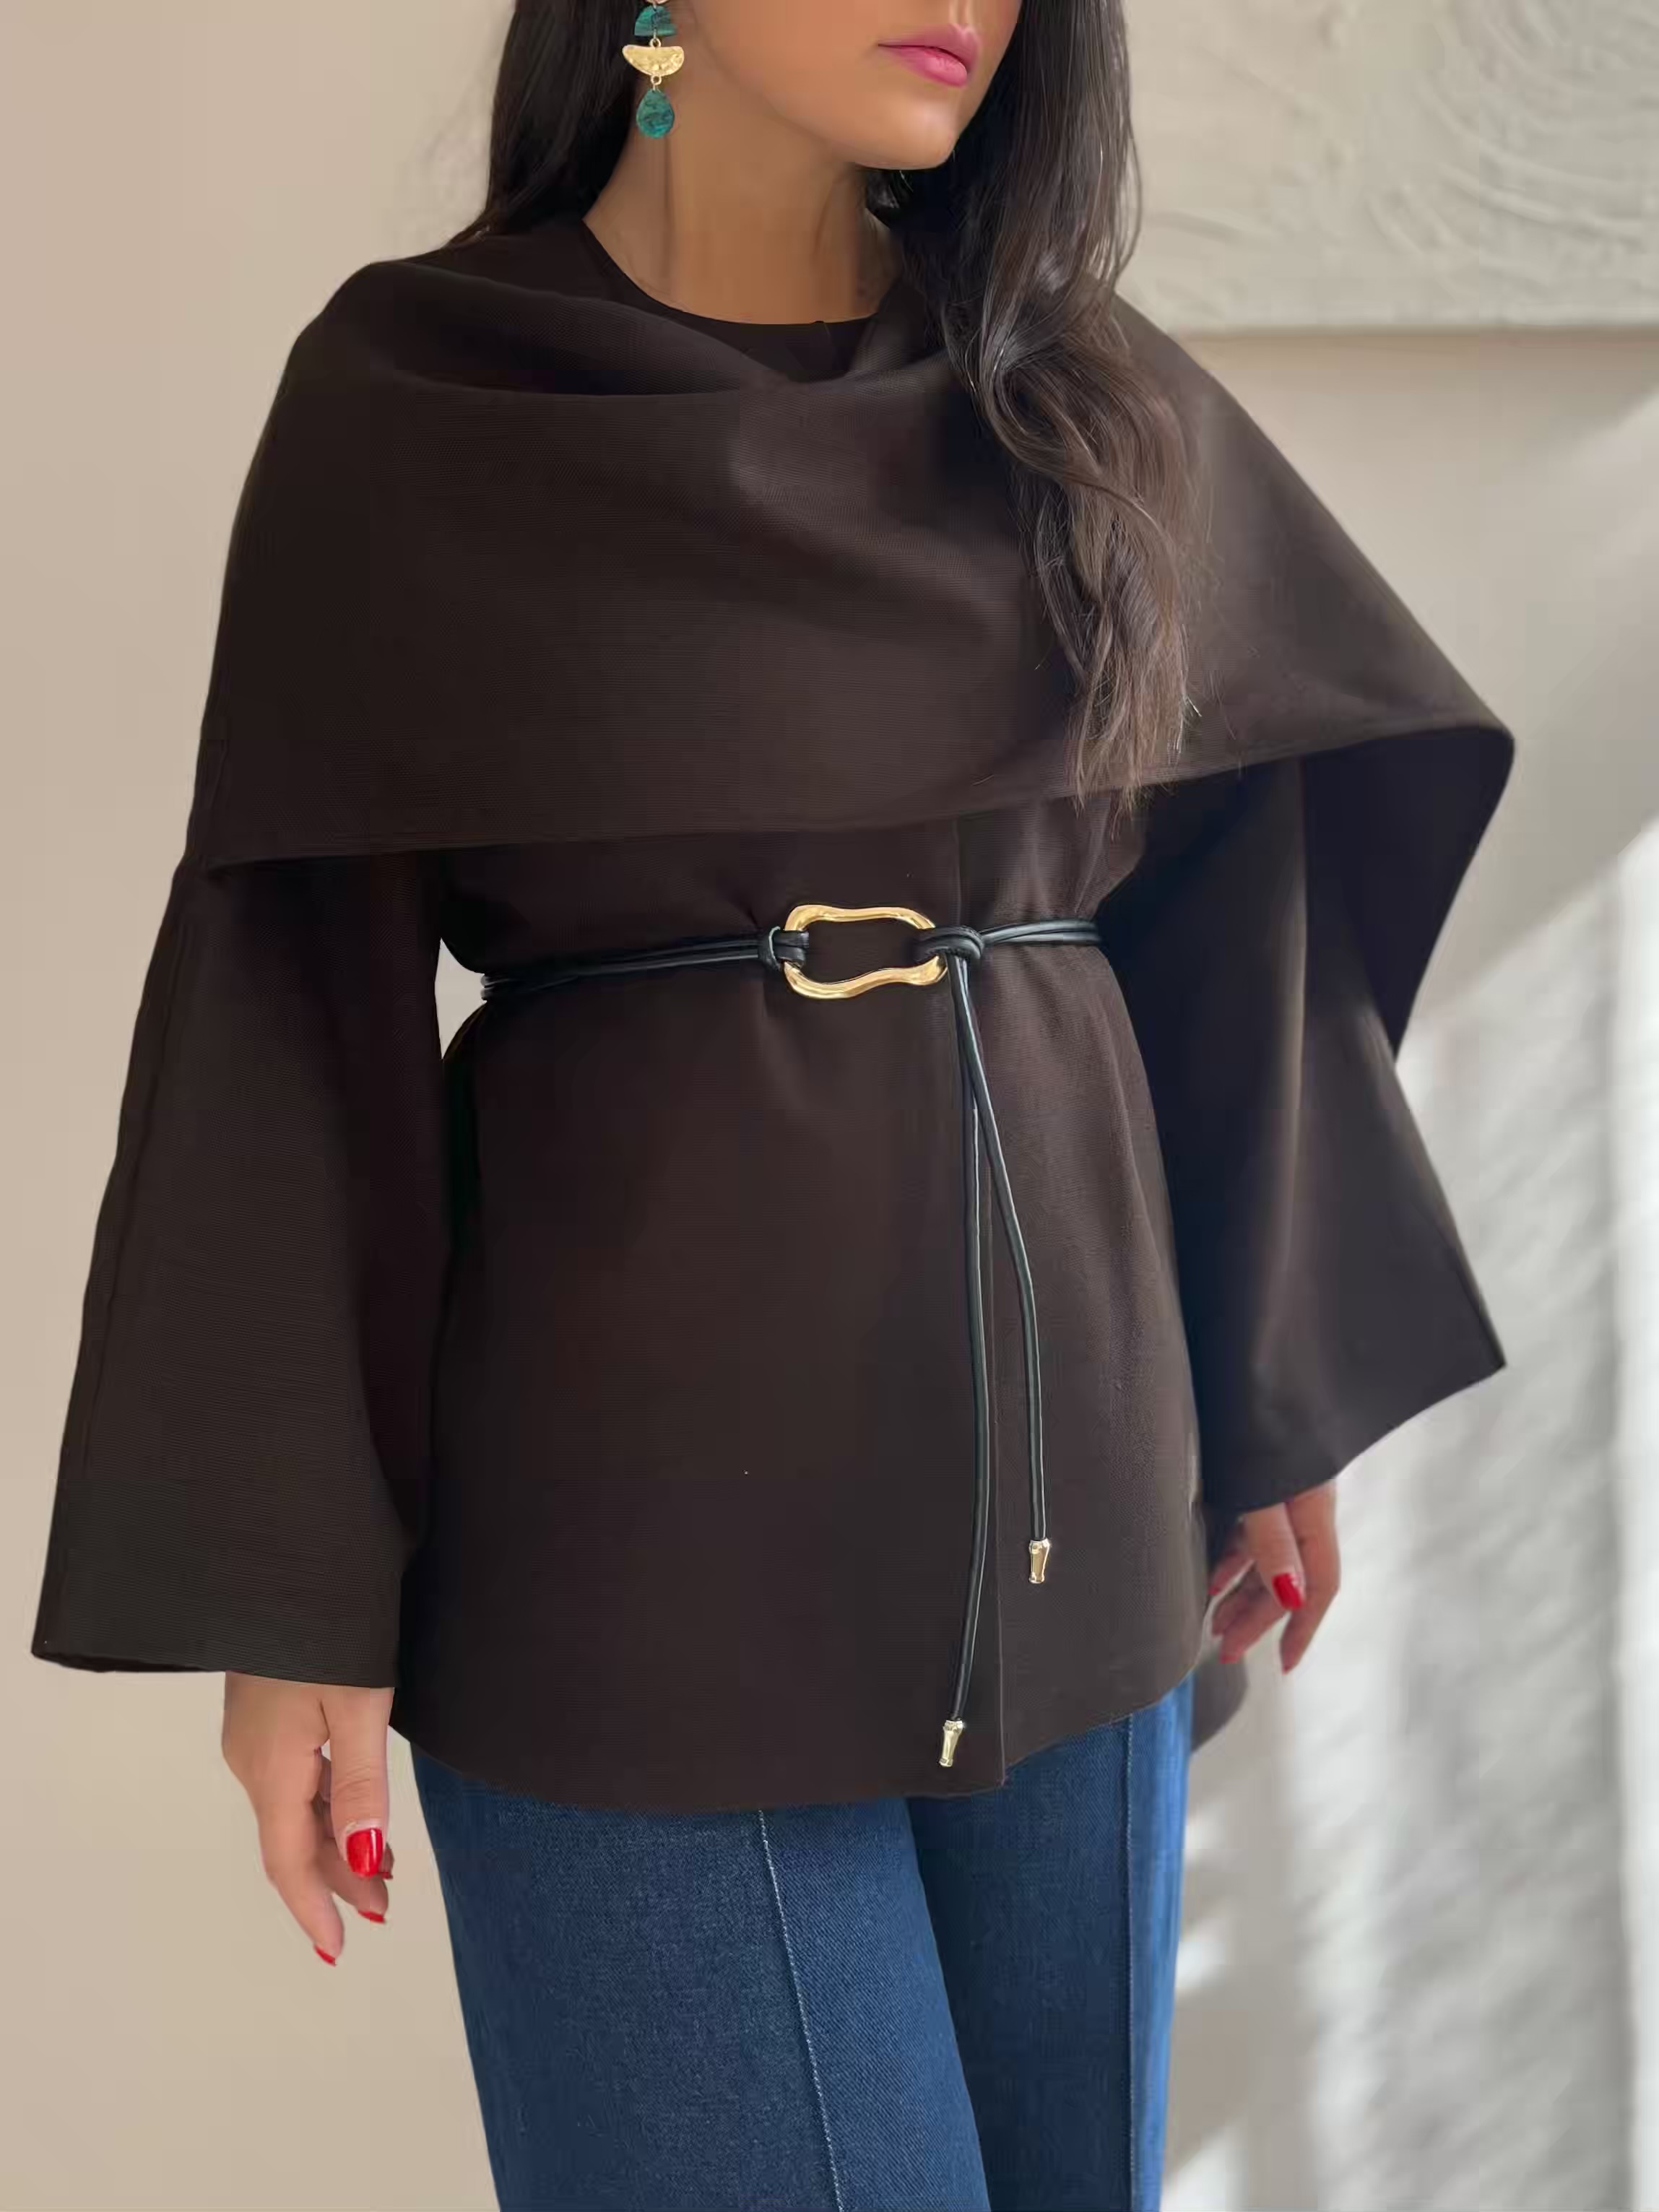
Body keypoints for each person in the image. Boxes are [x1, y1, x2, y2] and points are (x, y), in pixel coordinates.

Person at [27, 4, 1515, 2206]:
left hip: (1079, 1524)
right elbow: (285, 1003)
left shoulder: (1075, 395)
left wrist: (1268, 1374)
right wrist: (292, 1592)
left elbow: (1233, 909)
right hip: (629, 1553)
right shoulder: (423, 399)